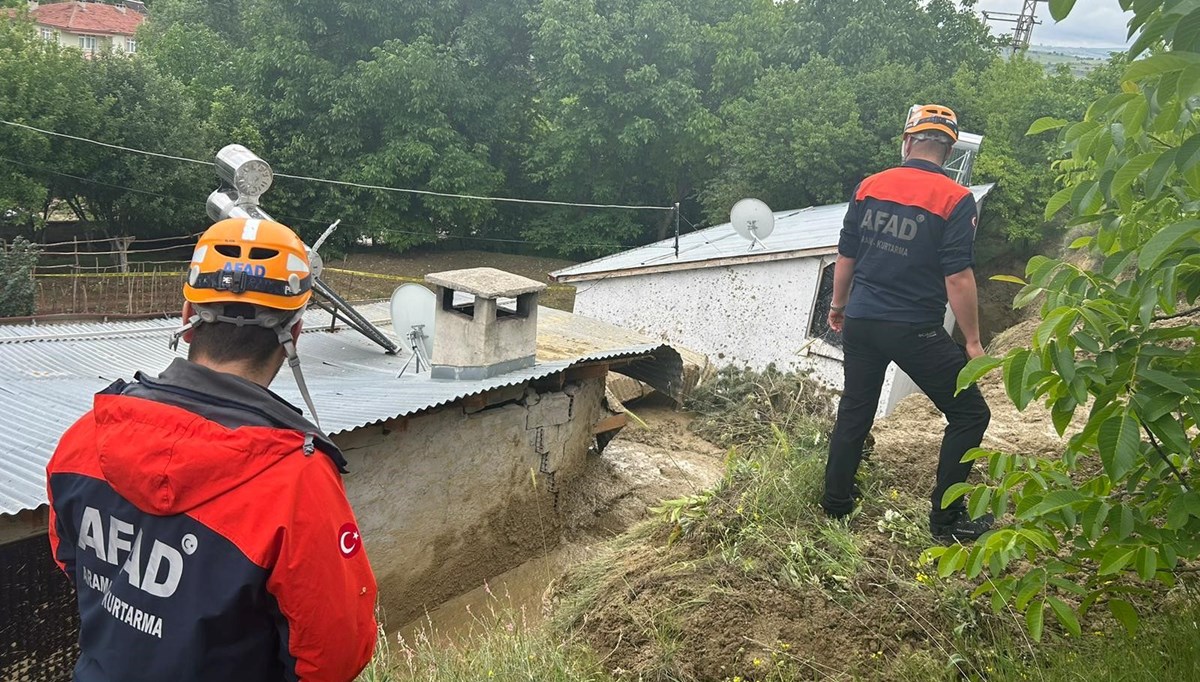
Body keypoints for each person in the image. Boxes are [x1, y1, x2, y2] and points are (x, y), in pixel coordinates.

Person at [46, 218, 378, 681]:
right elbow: (334, 654)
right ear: (295, 333)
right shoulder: (296, 481)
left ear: (187, 316)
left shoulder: (86, 435)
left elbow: (70, 561)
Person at [822, 104, 992, 542]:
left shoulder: (870, 187)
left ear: (909, 141)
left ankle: (836, 505)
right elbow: (957, 276)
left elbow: (846, 257)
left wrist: (838, 307)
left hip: (861, 319)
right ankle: (945, 523)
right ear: (947, 148)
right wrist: (972, 342)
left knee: (855, 411)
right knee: (970, 412)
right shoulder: (956, 200)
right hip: (913, 329)